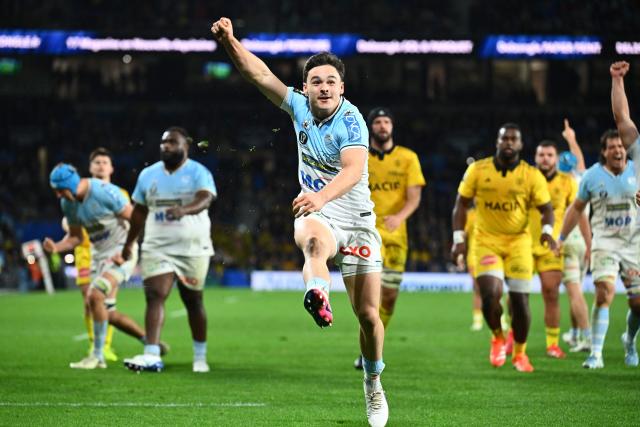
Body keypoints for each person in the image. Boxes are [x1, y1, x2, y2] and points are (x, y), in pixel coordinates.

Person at [211, 17, 388, 427]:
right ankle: (317, 294)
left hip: (356, 218)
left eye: (330, 81)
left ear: (341, 88)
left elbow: (352, 170)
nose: (323, 87)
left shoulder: (352, 120)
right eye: (315, 81)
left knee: (368, 317)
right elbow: (258, 73)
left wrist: (319, 195)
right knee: (313, 245)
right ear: (304, 87)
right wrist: (230, 42)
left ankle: (373, 384)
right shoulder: (296, 107)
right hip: (319, 212)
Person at [451, 123, 556, 373]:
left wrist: (547, 232)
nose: (509, 142)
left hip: (519, 242)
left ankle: (520, 353)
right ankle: (497, 336)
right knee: (491, 295)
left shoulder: (531, 175)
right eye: (504, 138)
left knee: (520, 302)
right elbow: (461, 205)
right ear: (497, 142)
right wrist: (458, 240)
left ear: (520, 144)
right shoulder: (478, 170)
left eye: (513, 139)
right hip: (486, 241)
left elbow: (547, 209)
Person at [120, 126, 216, 374]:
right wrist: (129, 242)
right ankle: (151, 354)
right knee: (155, 295)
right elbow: (139, 212)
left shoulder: (198, 172)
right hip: (156, 245)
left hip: (192, 247)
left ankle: (200, 355)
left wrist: (183, 210)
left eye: (172, 142)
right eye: (163, 143)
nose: (166, 146)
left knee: (192, 300)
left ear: (186, 146)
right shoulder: (148, 175)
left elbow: (206, 198)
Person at [43, 163, 147, 369]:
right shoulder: (68, 203)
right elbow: (75, 238)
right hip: (98, 257)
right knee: (105, 310)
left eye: (60, 190)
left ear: (70, 185)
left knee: (95, 295)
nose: (58, 196)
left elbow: (137, 218)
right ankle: (150, 342)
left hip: (121, 252)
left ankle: (97, 356)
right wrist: (56, 247)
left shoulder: (103, 192)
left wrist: (126, 249)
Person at [557, 128, 638, 368]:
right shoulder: (592, 176)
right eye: (612, 147)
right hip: (604, 242)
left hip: (634, 244)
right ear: (604, 152)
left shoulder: (637, 170)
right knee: (604, 291)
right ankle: (595, 354)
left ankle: (630, 341)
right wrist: (561, 238)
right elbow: (576, 208)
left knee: (637, 304)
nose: (618, 150)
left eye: (621, 146)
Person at [353, 107, 425, 369]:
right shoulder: (358, 156)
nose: (383, 126)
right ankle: (368, 351)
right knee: (368, 299)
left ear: (392, 126)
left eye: (387, 122)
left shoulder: (408, 158)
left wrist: (400, 216)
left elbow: (414, 196)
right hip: (366, 233)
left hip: (396, 236)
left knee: (390, 298)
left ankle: (372, 343)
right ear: (371, 127)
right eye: (378, 122)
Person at [529, 139, 586, 358]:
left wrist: (587, 243)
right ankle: (512, 339)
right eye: (541, 154)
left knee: (551, 293)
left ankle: (552, 344)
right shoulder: (526, 178)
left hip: (552, 246)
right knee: (517, 296)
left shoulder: (568, 182)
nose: (545, 158)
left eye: (549, 155)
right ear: (535, 157)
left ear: (556, 158)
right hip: (523, 243)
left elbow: (577, 213)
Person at [70, 148, 123, 362]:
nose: (101, 165)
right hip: (85, 252)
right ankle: (94, 345)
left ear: (111, 168)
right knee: (88, 301)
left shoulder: (120, 193)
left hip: (111, 252)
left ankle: (105, 346)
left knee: (107, 300)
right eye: (97, 162)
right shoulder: (79, 193)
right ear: (90, 168)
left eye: (104, 162)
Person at [609, 60, 640, 366]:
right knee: (638, 302)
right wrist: (618, 80)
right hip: (634, 241)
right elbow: (622, 118)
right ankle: (630, 340)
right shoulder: (639, 147)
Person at [558, 120, 592, 353]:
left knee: (573, 291)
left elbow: (577, 215)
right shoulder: (582, 179)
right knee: (575, 289)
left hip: (569, 238)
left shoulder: (561, 184)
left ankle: (588, 336)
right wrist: (571, 138)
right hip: (583, 240)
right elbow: (579, 159)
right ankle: (576, 333)